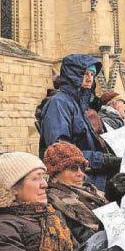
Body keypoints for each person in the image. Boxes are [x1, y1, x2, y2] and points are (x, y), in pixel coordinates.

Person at [39, 54, 118, 191]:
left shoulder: (79, 104)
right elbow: (61, 153)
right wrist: (104, 160)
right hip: (77, 177)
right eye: (84, 73)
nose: (89, 78)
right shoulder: (59, 103)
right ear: (72, 75)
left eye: (92, 74)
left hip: (93, 172)